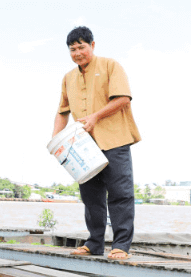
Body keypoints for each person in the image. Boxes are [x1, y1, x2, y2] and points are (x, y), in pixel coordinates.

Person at [52, 26, 141, 260]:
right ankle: (94, 243)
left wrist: (95, 117)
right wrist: (55, 142)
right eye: (72, 49)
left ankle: (121, 245)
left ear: (92, 45)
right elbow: (62, 112)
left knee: (120, 193)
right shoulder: (68, 77)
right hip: (83, 145)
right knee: (90, 195)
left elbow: (123, 98)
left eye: (81, 47)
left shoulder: (111, 66)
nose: (77, 53)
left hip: (115, 139)